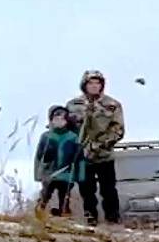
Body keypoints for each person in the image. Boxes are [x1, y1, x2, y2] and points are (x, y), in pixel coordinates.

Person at [66, 69, 127, 225]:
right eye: (90, 83)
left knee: (109, 190)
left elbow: (118, 129)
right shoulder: (73, 105)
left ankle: (113, 221)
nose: (94, 86)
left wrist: (100, 145)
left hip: (104, 155)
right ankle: (91, 221)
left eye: (97, 83)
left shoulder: (112, 105)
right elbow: (67, 128)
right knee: (87, 191)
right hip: (82, 156)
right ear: (84, 85)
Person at [33, 106, 83, 216]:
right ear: (51, 121)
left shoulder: (73, 137)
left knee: (64, 197)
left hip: (66, 173)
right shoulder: (46, 136)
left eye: (62, 119)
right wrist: (38, 174)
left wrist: (80, 175)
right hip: (49, 173)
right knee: (45, 195)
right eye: (56, 119)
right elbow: (38, 156)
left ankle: (64, 214)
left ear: (67, 121)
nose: (59, 122)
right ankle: (39, 214)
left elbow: (80, 158)